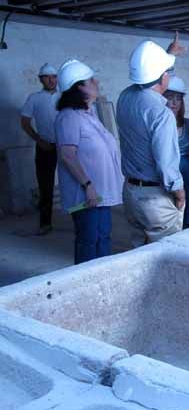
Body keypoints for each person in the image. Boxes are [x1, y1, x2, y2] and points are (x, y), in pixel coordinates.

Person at [116, 35, 186, 247]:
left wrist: (169, 54)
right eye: (168, 72)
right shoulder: (162, 114)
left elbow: (146, 76)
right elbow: (166, 166)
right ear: (163, 77)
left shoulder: (125, 98)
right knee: (166, 258)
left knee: (139, 252)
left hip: (130, 192)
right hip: (156, 199)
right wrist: (180, 193)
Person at [54, 60, 124, 264]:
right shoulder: (68, 118)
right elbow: (68, 155)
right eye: (90, 80)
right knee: (88, 240)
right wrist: (88, 185)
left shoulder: (88, 114)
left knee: (103, 237)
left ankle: (103, 280)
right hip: (86, 195)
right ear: (78, 88)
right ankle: (87, 284)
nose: (96, 82)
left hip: (100, 194)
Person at [20, 63, 61, 235]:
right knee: (46, 186)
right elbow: (25, 122)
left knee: (75, 183)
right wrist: (39, 140)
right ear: (40, 79)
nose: (51, 80)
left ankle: (79, 219)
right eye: (47, 77)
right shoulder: (34, 98)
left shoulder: (64, 97)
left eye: (54, 76)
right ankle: (45, 223)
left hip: (66, 146)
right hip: (45, 146)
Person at [164, 76, 189, 228]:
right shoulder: (158, 124)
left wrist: (182, 164)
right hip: (168, 178)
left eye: (178, 98)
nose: (174, 102)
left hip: (187, 178)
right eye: (170, 97)